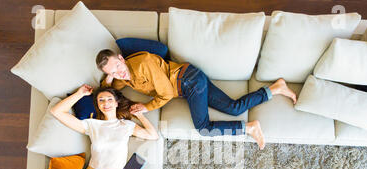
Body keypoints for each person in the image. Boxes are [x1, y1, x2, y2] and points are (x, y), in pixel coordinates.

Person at [96, 49, 297, 150]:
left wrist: (146, 107)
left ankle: (249, 128)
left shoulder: (143, 63)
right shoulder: (123, 77)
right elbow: (108, 89)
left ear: (122, 58)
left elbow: (165, 93)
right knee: (234, 108)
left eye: (118, 67)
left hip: (190, 81)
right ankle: (275, 88)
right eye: (113, 72)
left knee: (203, 128)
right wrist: (111, 76)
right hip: (191, 79)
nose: (119, 73)